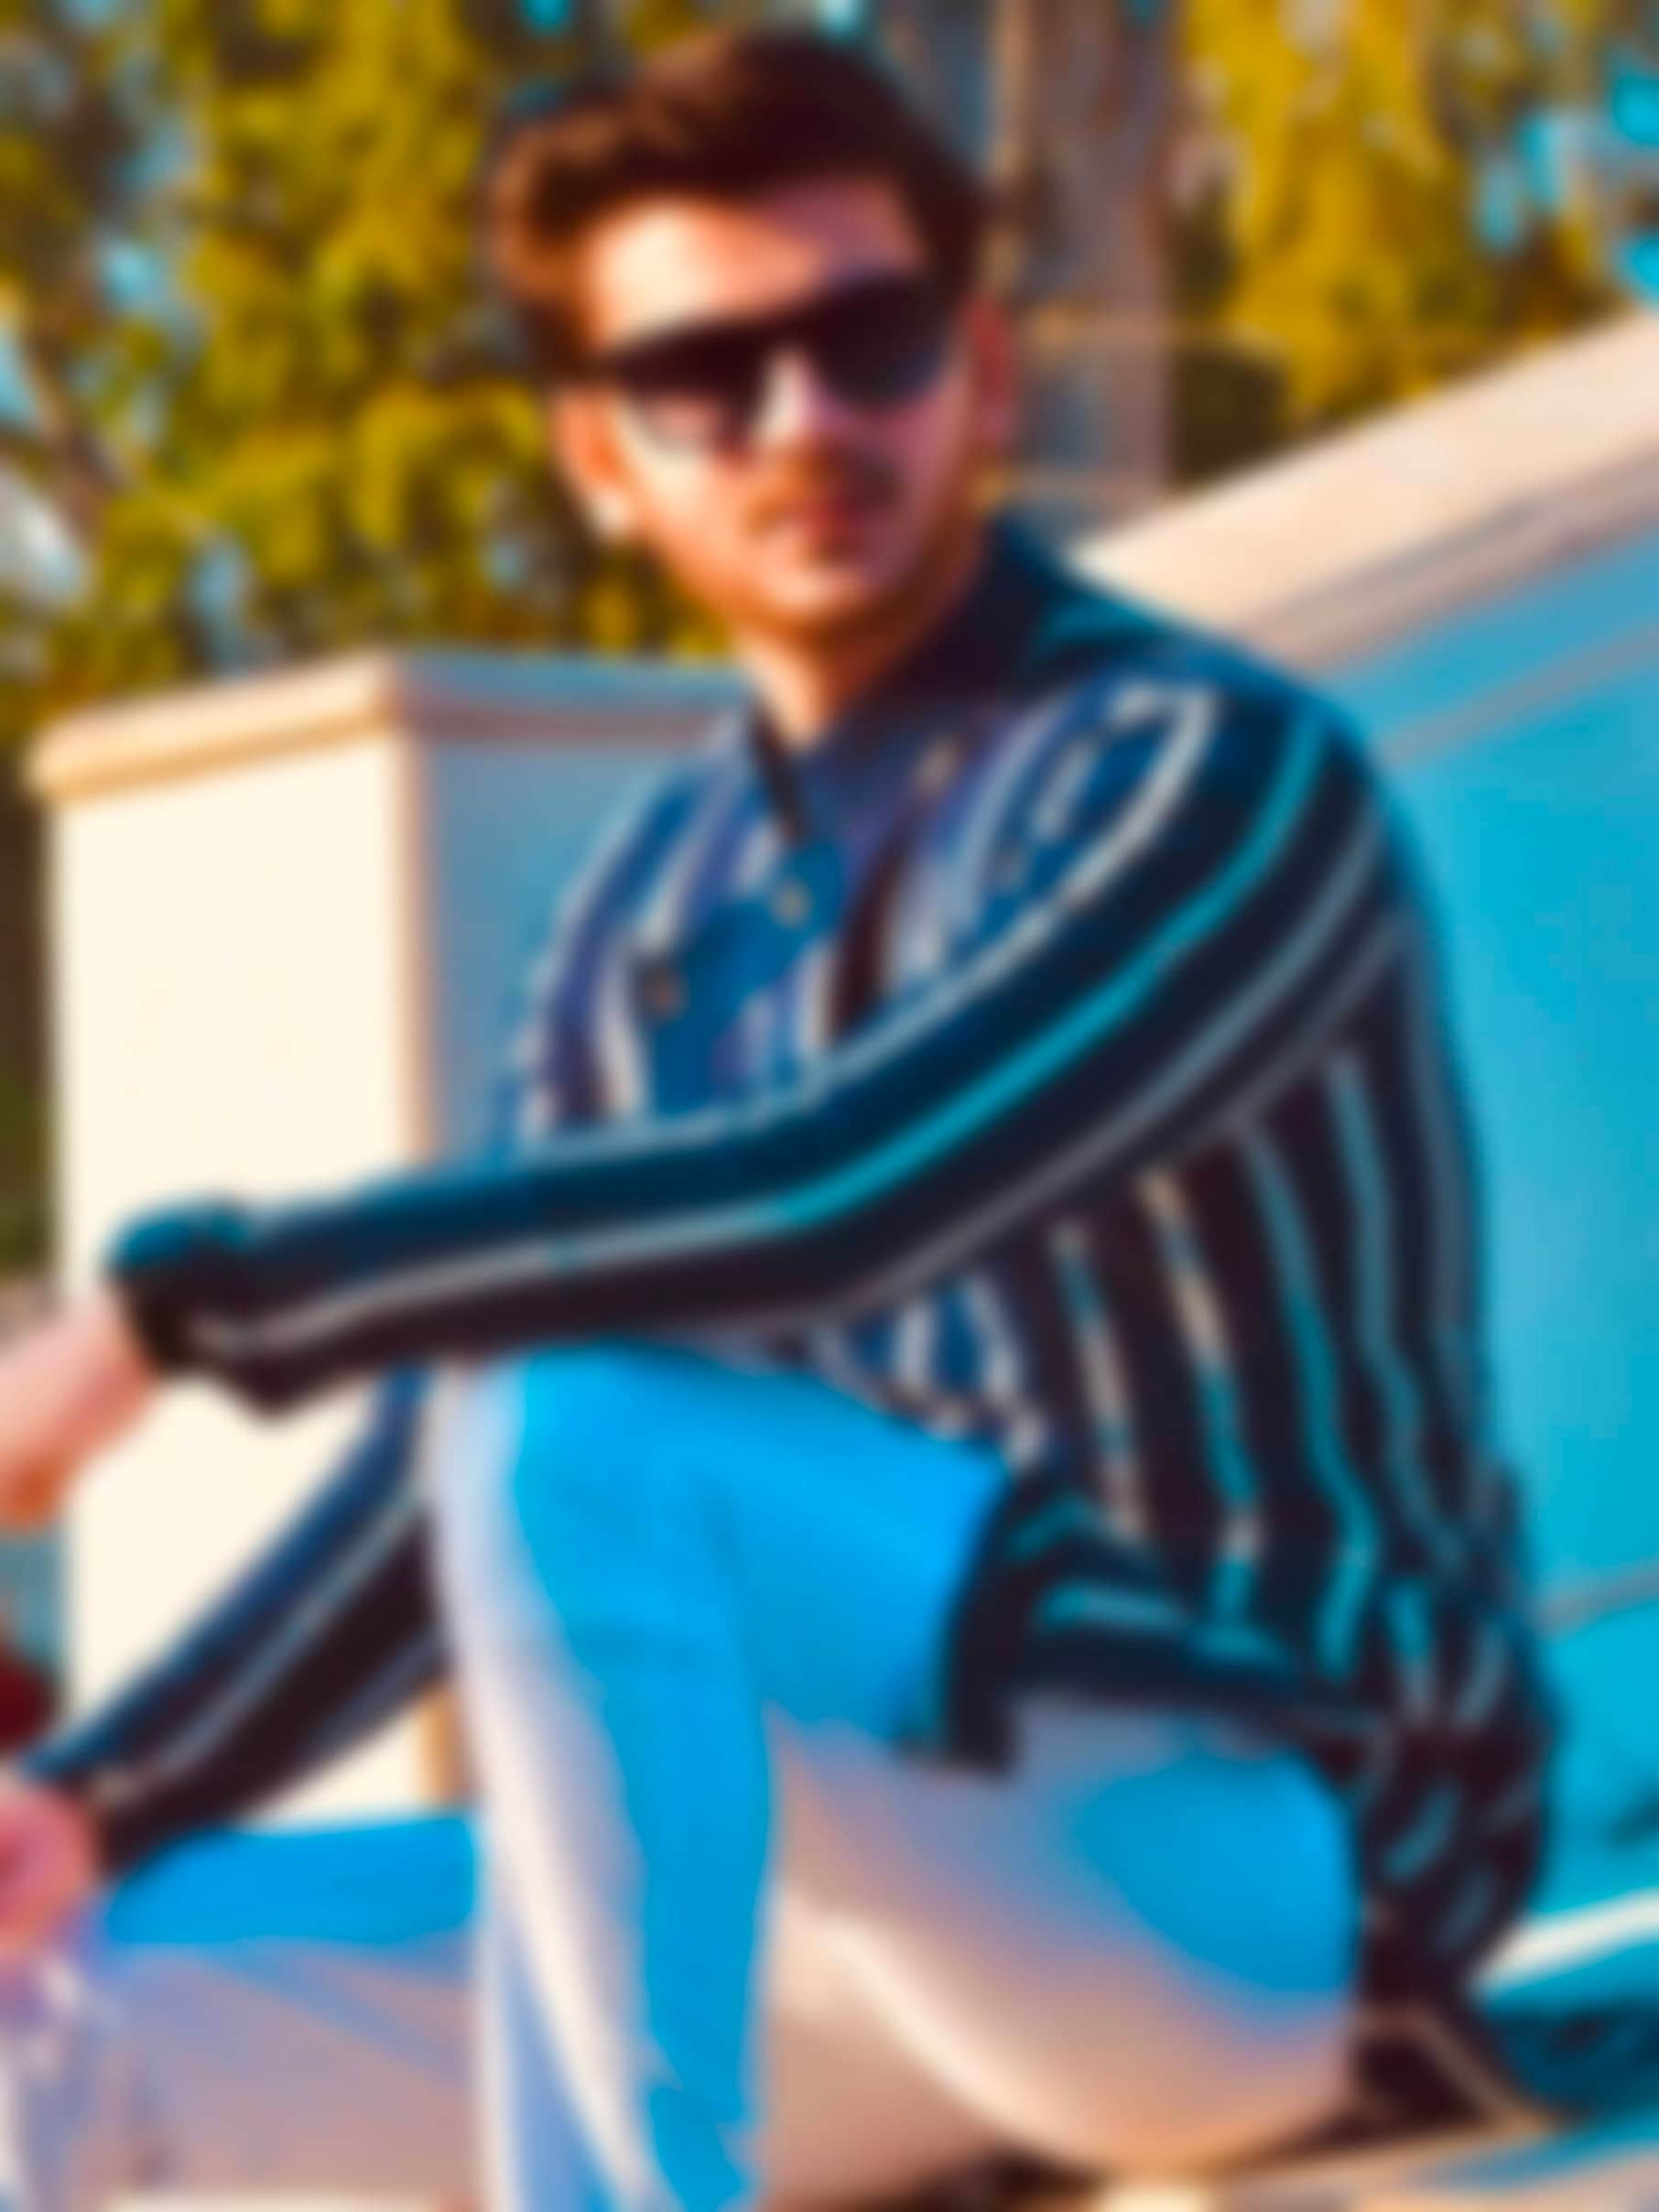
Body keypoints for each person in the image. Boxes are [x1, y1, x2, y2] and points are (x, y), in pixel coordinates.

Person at [0, 26, 1556, 2210]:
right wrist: (100, 1796)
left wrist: (169, 1317)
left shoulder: (1203, 776)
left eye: (871, 340)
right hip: (867, 1932)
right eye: (704, 375)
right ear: (599, 457)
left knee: (583, 1416)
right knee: (52, 2004)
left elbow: (844, 1191)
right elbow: (439, 1490)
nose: (806, 419)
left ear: (983, 377)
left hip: (1259, 1890)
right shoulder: (643, 920)